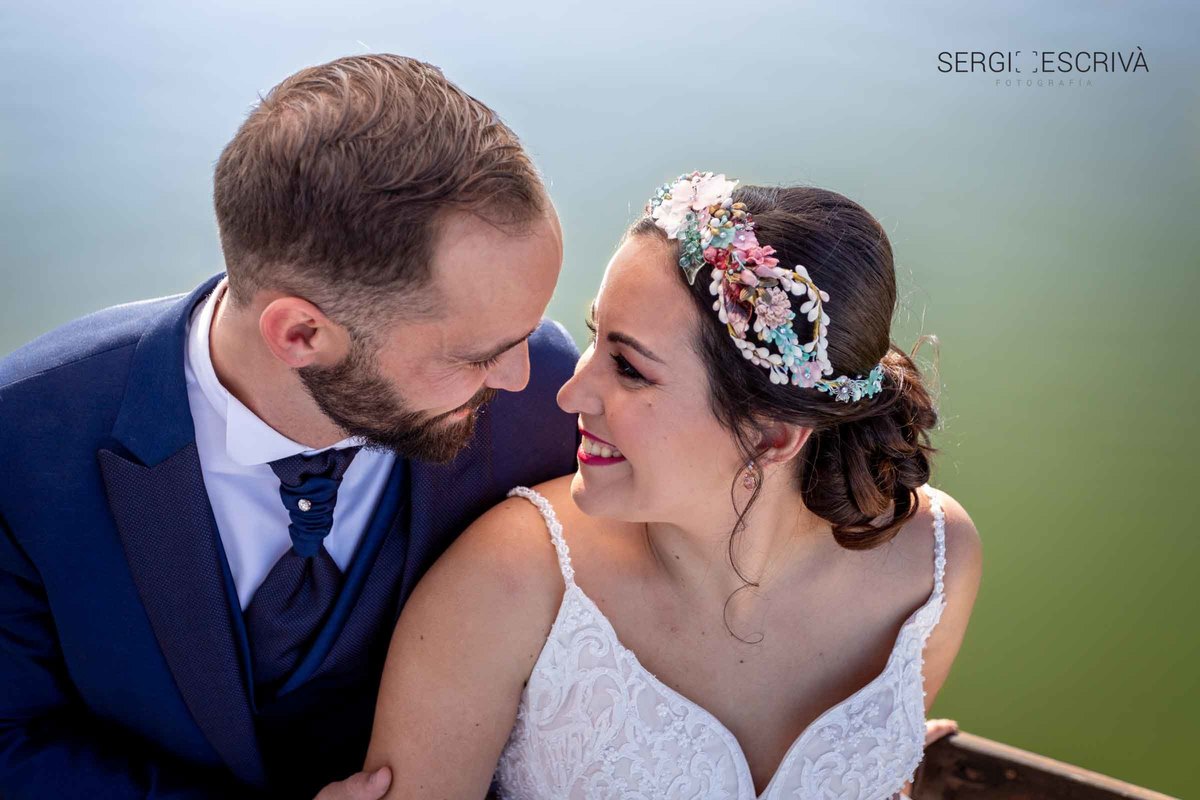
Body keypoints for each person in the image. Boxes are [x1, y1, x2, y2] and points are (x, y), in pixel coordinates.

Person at [0, 54, 580, 799]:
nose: (519, 377)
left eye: (524, 332)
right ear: (300, 334)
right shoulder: (25, 443)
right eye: (477, 355)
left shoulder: (548, 402)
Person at [365, 172, 983, 799]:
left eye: (629, 367)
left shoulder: (933, 566)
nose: (570, 392)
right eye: (594, 336)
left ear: (770, 437)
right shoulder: (509, 580)